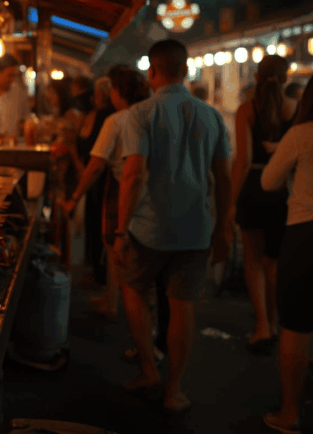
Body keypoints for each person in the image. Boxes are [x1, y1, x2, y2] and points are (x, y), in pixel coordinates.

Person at [114, 39, 231, 413]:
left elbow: (133, 175)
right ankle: (174, 391)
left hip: (148, 227)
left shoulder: (141, 113)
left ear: (152, 71)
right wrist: (223, 229)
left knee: (133, 287)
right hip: (196, 228)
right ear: (185, 69)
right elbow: (224, 177)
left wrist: (119, 230)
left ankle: (149, 369)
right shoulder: (210, 115)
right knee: (183, 307)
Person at [61, 67, 149, 319]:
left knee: (116, 248)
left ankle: (117, 303)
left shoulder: (116, 120)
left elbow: (96, 165)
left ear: (118, 92)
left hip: (122, 186)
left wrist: (75, 197)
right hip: (150, 191)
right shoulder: (149, 114)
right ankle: (116, 298)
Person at [230, 55, 298, 354]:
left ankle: (262, 326)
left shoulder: (247, 109)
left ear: (257, 77)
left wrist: (230, 202)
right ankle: (277, 321)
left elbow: (243, 161)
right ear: (285, 79)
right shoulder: (295, 109)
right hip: (284, 190)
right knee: (274, 262)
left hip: (254, 188)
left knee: (253, 260)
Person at [260, 74, 313, 434]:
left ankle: (290, 411)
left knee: (295, 325)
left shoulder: (301, 134)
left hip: (305, 233)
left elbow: (268, 181)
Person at [76, 77, 115, 285]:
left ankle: (99, 274)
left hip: (100, 179)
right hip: (101, 178)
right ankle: (100, 274)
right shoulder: (102, 115)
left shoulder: (104, 116)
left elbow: (94, 150)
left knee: (97, 223)